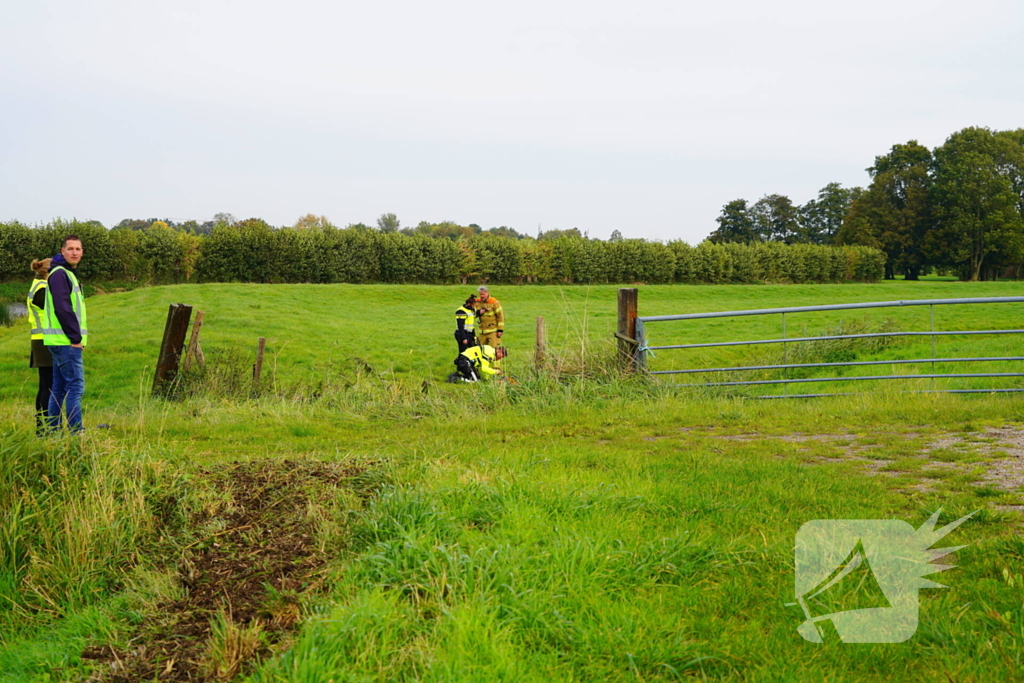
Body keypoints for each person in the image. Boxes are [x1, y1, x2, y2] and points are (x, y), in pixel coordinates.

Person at [42, 235, 88, 434]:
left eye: (78, 249)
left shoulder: (64, 272)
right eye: (70, 249)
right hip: (66, 342)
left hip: (59, 340)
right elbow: (63, 308)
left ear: (82, 252)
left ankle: (53, 433)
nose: (74, 252)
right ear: (62, 251)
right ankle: (76, 434)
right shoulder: (61, 274)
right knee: (75, 388)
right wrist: (76, 339)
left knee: (59, 389)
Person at [27, 258, 53, 436]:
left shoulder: (37, 285)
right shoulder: (43, 288)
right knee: (48, 387)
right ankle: (44, 428)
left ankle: (42, 427)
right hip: (45, 340)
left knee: (44, 385)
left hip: (40, 339)